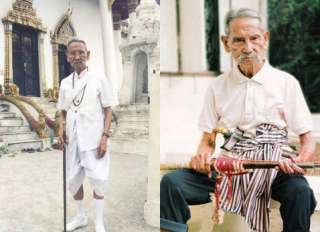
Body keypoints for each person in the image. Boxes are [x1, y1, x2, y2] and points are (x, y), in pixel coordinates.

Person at [160, 8, 317, 232]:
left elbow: (307, 138)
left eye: (254, 38)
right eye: (239, 40)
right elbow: (207, 140)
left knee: (300, 192)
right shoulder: (217, 87)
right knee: (171, 183)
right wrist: (202, 157)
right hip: (230, 168)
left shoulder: (285, 83)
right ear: (226, 43)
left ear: (265, 39)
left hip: (274, 168)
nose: (248, 47)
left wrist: (297, 163)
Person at [57, 38, 117, 232]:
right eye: (72, 53)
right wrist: (60, 128)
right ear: (67, 57)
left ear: (88, 54)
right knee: (74, 180)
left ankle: (99, 221)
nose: (77, 56)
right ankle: (81, 216)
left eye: (81, 52)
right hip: (72, 139)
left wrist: (105, 137)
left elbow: (108, 110)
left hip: (94, 138)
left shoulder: (98, 78)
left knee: (98, 179)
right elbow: (61, 111)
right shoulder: (65, 83)